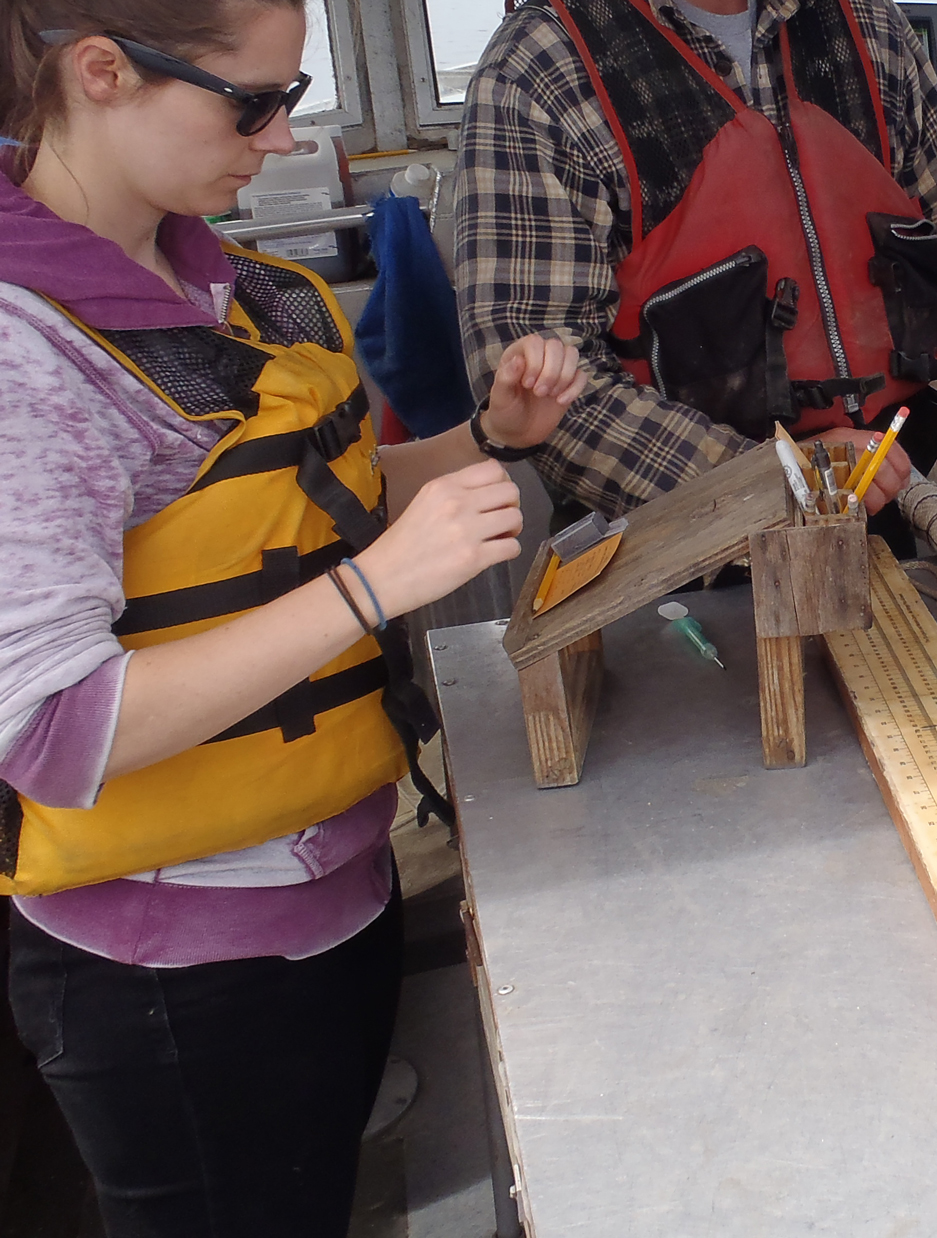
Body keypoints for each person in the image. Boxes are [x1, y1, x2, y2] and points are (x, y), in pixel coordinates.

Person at [0, 3, 584, 1231]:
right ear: (101, 72)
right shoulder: (29, 356)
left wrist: (487, 440)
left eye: (296, 92)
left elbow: (319, 506)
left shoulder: (254, 291)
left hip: (341, 886)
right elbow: (55, 730)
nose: (281, 137)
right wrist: (375, 588)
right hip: (173, 975)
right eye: (250, 102)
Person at [454, 0, 937, 521]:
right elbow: (537, 382)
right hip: (673, 550)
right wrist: (776, 480)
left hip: (887, 500)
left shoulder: (872, 28)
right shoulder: (538, 69)